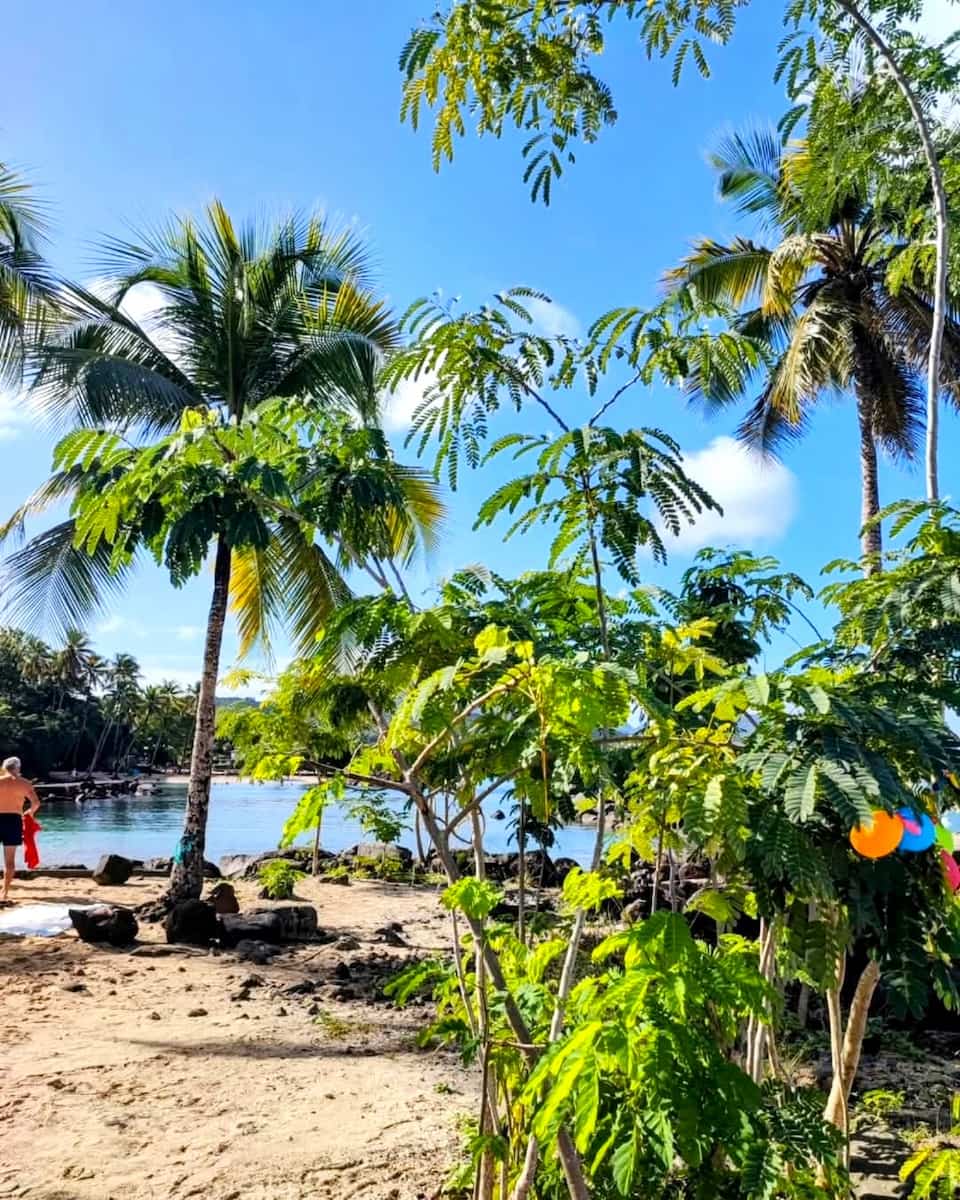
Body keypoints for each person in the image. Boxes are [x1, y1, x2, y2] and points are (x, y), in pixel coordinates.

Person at [0, 757, 40, 902]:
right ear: (17, 768)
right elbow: (35, 803)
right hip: (13, 821)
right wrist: (29, 813)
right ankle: (4, 892)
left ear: (4, 767)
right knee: (9, 861)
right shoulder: (24, 783)